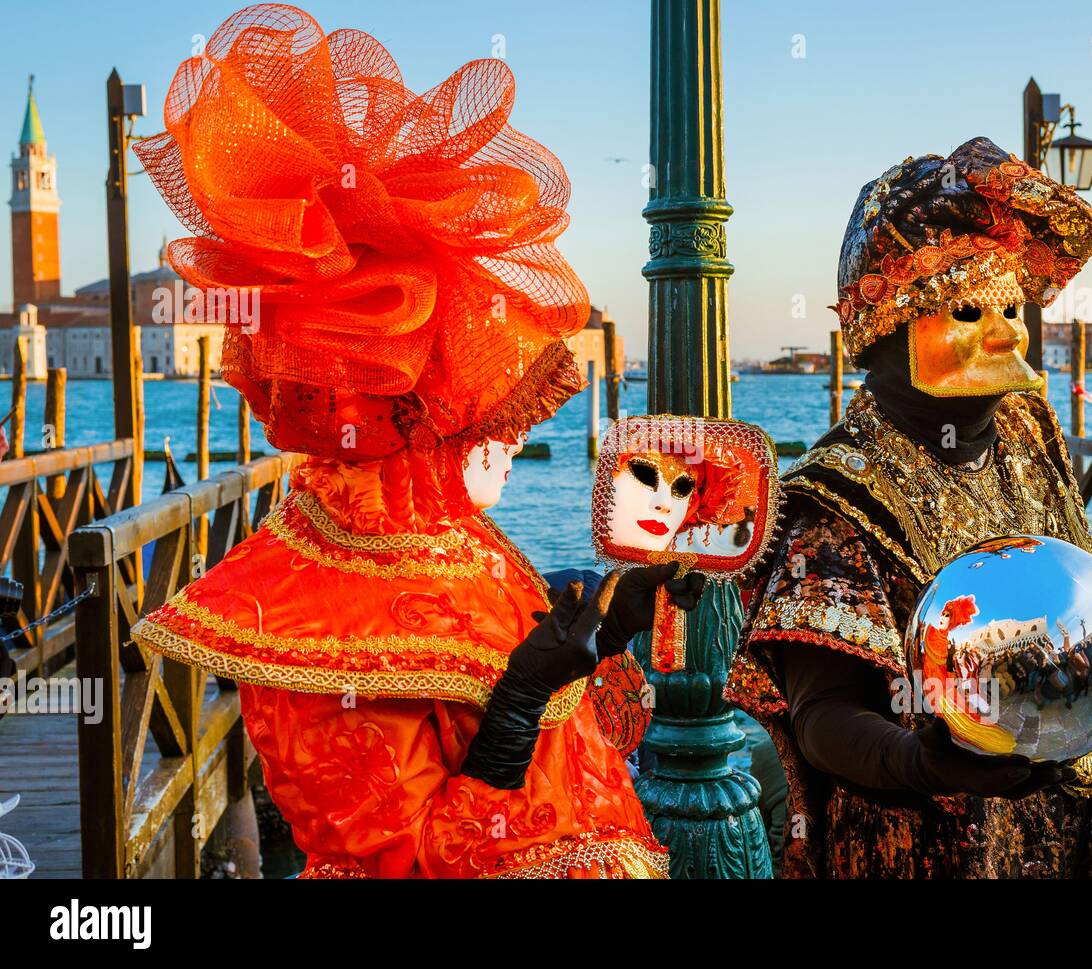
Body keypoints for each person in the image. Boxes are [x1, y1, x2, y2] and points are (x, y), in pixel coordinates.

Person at [129, 4, 700, 879]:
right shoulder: (306, 616)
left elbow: (564, 763)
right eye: (485, 417)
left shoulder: (444, 536)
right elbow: (408, 857)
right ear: (412, 430)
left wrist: (611, 623)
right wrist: (520, 696)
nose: (516, 434)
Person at [725, 137, 1092, 878]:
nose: (1005, 330)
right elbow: (823, 712)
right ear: (889, 328)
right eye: (966, 309)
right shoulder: (836, 496)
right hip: (925, 842)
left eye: (1012, 306)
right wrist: (924, 764)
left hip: (1069, 817)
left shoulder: (1029, 433)